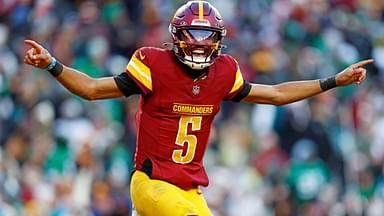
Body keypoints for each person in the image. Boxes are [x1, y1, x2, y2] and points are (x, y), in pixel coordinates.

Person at [23, 1, 373, 215]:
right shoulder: (153, 64)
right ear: (176, 35)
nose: (200, 45)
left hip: (190, 190)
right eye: (192, 35)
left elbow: (277, 94)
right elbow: (92, 89)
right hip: (151, 182)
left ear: (220, 40)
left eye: (207, 38)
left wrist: (332, 81)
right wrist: (53, 64)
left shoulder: (223, 72)